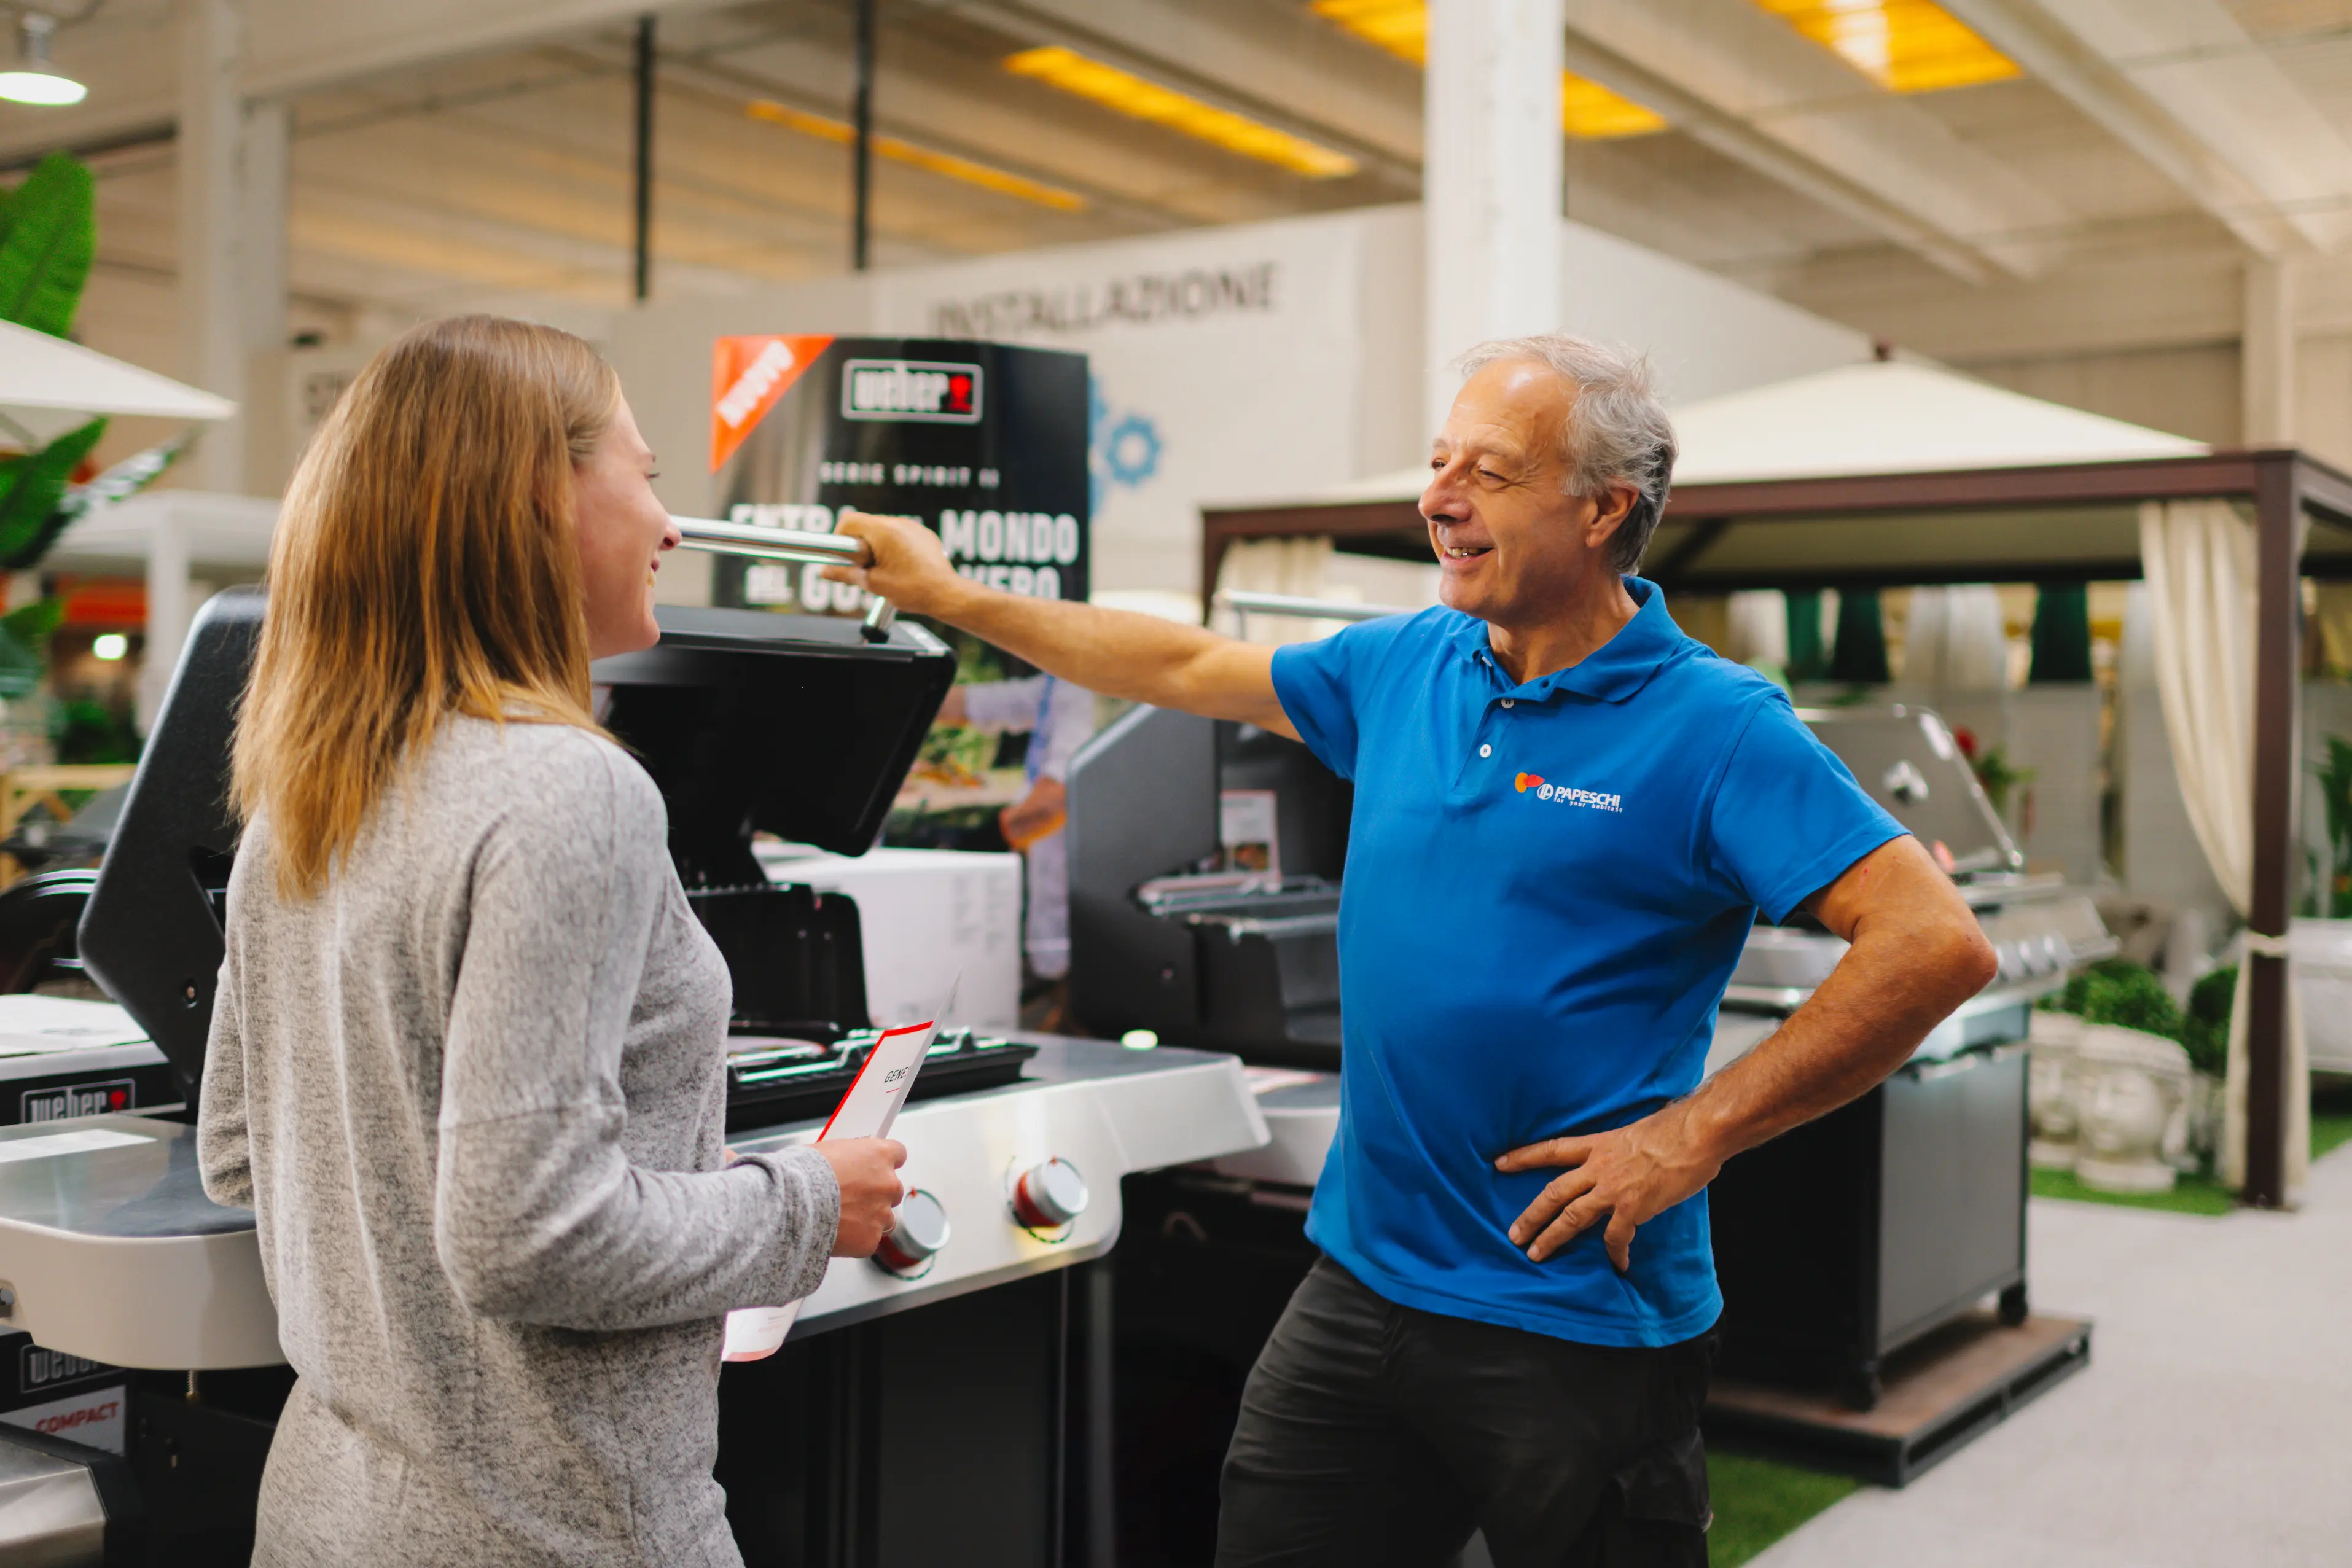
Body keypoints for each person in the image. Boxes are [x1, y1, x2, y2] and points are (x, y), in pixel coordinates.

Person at [827, 333, 1996, 1567]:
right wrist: (953, 598)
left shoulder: (1712, 723)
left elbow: (1931, 941)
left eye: (1487, 471)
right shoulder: (1408, 662)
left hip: (1574, 1309)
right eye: (1439, 462)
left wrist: (1691, 1134)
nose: (1440, 496)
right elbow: (1176, 660)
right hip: (1363, 1278)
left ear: (1602, 508)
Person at [198, 316, 909, 1567]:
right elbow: (535, 1238)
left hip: (328, 1507)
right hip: (552, 1524)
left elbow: (244, 1153)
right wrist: (808, 1203)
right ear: (538, 498)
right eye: (645, 476)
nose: (671, 525)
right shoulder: (569, 792)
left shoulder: (300, 800)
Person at [935, 674, 1098, 981]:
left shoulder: (1085, 685)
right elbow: (983, 703)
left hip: (1082, 893)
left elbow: (1054, 800)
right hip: (1061, 890)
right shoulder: (1062, 681)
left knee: (1080, 983)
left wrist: (982, 844)